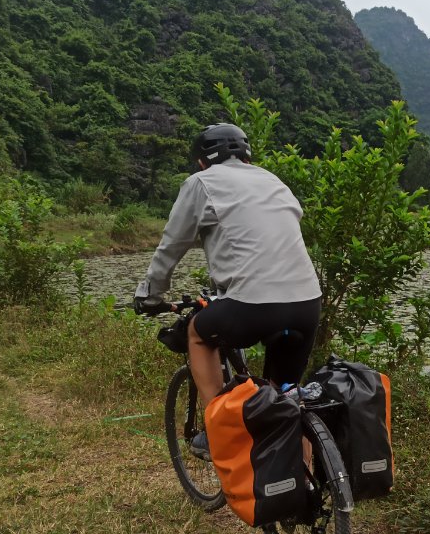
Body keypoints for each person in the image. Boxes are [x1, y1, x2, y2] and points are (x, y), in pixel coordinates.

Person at [133, 123, 322, 421]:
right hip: (308, 303)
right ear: (247, 157)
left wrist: (150, 296)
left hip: (253, 304)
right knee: (288, 403)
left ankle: (217, 427)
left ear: (201, 161)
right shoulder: (273, 180)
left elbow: (171, 246)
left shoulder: (201, 182)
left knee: (197, 333)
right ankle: (304, 464)